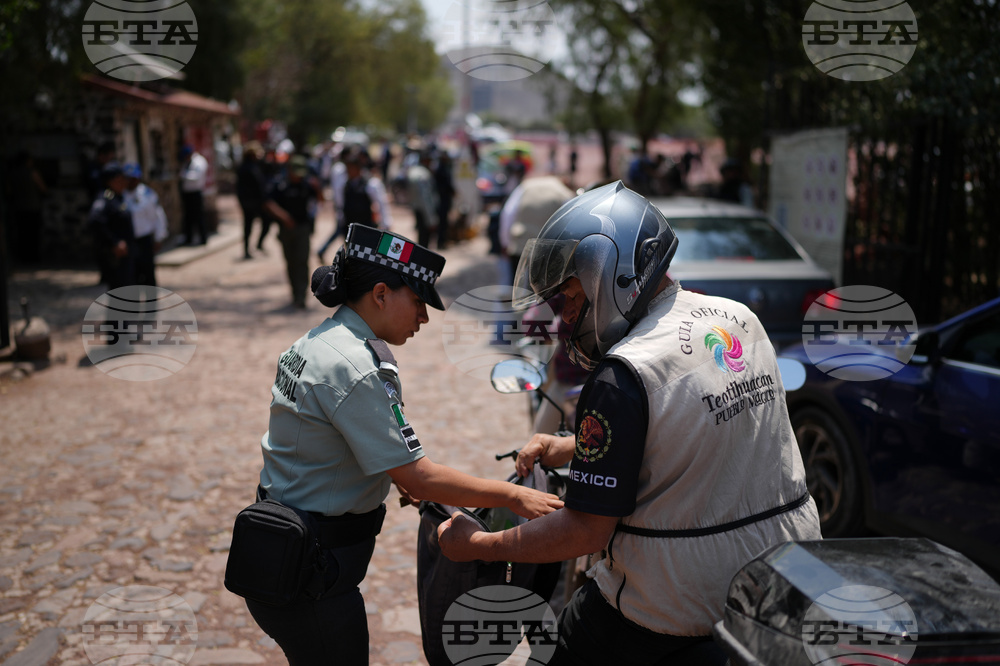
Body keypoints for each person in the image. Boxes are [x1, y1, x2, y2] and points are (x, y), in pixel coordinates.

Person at [437, 181, 822, 665]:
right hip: (784, 569)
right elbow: (694, 424)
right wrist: (572, 445)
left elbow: (585, 531)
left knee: (570, 639)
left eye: (571, 296)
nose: (566, 316)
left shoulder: (623, 374)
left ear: (612, 272)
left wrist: (481, 545)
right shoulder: (739, 319)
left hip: (680, 597)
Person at [245, 223, 563, 665]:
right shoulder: (355, 367)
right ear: (380, 294)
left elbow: (327, 438)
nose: (424, 317)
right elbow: (420, 475)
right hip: (312, 578)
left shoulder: (320, 341)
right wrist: (513, 495)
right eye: (417, 301)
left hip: (282, 553)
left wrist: (391, 475)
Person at [265, 155, 323, 309]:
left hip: (303, 228)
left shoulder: (307, 184)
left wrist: (318, 188)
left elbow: (321, 200)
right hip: (286, 230)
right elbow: (268, 203)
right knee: (291, 262)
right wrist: (284, 217)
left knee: (302, 261)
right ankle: (295, 293)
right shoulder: (280, 184)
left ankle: (301, 296)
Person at [497, 175, 574, 284]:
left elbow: (508, 213)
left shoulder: (525, 187)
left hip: (520, 245)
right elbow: (570, 222)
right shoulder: (564, 193)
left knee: (516, 284)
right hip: (547, 250)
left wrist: (505, 242)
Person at [88, 162, 136, 289]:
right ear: (113, 180)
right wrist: (114, 242)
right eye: (121, 178)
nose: (125, 182)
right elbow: (95, 220)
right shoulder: (105, 198)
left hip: (126, 255)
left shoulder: (118, 197)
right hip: (116, 257)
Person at [122, 163, 168, 288]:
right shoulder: (121, 195)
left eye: (134, 178)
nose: (131, 182)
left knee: (148, 274)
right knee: (132, 277)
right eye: (128, 178)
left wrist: (159, 237)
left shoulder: (147, 194)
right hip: (129, 241)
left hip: (145, 240)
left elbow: (158, 216)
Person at [236, 141, 268, 259]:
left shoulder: (252, 166)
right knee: (263, 222)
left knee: (249, 226)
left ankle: (253, 247)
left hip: (248, 201)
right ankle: (250, 248)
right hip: (253, 202)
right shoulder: (249, 168)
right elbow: (258, 186)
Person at [407, 150, 438, 248]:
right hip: (424, 209)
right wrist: (431, 220)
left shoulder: (413, 171)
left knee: (421, 234)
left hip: (416, 207)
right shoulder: (423, 174)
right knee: (425, 237)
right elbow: (425, 197)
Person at [178, 144, 208, 245]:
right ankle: (188, 238)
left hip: (196, 193)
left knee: (199, 216)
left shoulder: (199, 161)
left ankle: (203, 238)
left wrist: (184, 175)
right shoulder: (186, 162)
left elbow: (197, 176)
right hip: (187, 193)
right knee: (188, 217)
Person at [432, 150, 455, 249]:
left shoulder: (443, 167)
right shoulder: (441, 169)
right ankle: (441, 242)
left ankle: (442, 241)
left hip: (444, 199)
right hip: (442, 199)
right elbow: (446, 185)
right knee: (442, 222)